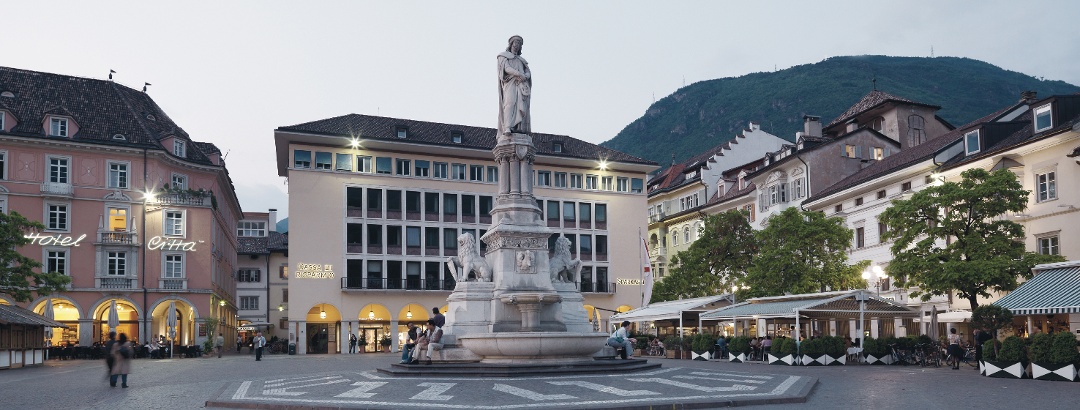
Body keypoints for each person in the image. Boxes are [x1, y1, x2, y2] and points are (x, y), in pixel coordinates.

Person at [497, 35, 531, 136]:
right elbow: (506, 68)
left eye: (519, 44)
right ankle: (507, 127)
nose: (517, 45)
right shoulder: (503, 56)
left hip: (521, 84)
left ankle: (518, 127)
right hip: (510, 83)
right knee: (509, 103)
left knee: (521, 105)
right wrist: (518, 74)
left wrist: (525, 76)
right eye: (515, 42)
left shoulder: (522, 60)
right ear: (511, 44)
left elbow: (528, 72)